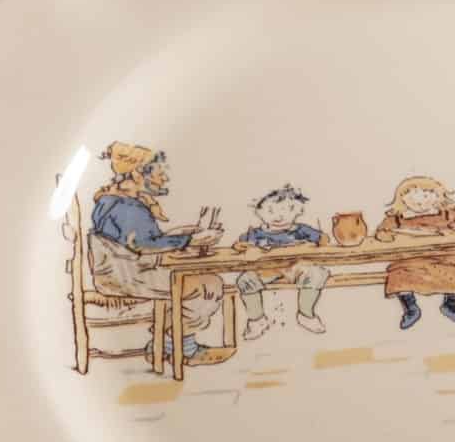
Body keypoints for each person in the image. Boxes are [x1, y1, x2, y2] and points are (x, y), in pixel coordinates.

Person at [88, 142, 223, 364]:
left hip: (122, 273)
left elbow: (139, 241)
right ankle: (182, 348)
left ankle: (164, 343)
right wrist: (191, 240)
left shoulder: (112, 201)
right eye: (160, 173)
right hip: (127, 277)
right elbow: (143, 244)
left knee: (194, 283)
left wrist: (181, 236)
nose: (164, 179)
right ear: (137, 173)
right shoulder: (127, 207)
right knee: (208, 285)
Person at [374, 176, 455, 330]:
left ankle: (449, 305)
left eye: (426, 196)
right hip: (409, 262)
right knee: (399, 276)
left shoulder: (447, 214)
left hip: (443, 260)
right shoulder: (398, 219)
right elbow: (381, 230)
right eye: (413, 199)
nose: (421, 203)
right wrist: (383, 235)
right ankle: (411, 309)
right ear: (402, 200)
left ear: (438, 196)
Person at [233, 184, 329, 339]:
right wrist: (246, 247)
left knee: (317, 273)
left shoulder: (301, 230)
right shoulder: (256, 233)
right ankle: (257, 320)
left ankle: (306, 314)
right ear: (259, 212)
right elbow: (239, 245)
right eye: (270, 211)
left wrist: (314, 243)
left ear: (298, 210)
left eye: (286, 210)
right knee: (245, 280)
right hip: (267, 269)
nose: (278, 217)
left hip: (296, 267)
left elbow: (324, 239)